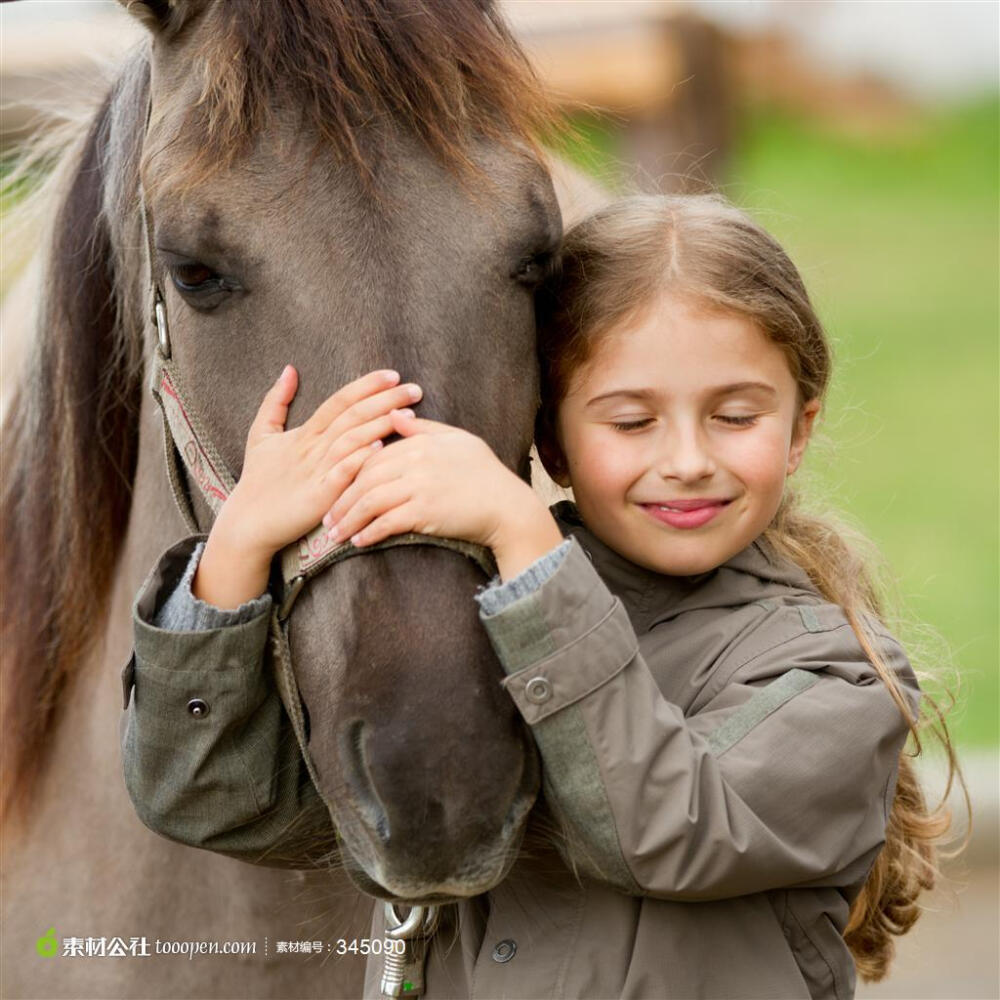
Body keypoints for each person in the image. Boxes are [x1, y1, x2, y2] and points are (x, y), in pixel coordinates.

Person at [122, 193, 955, 999]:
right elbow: (215, 803)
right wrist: (238, 545)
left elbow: (673, 831)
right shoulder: (470, 622)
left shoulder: (838, 676)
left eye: (734, 416)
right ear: (550, 441)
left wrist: (527, 545)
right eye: (632, 423)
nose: (689, 459)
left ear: (799, 431)